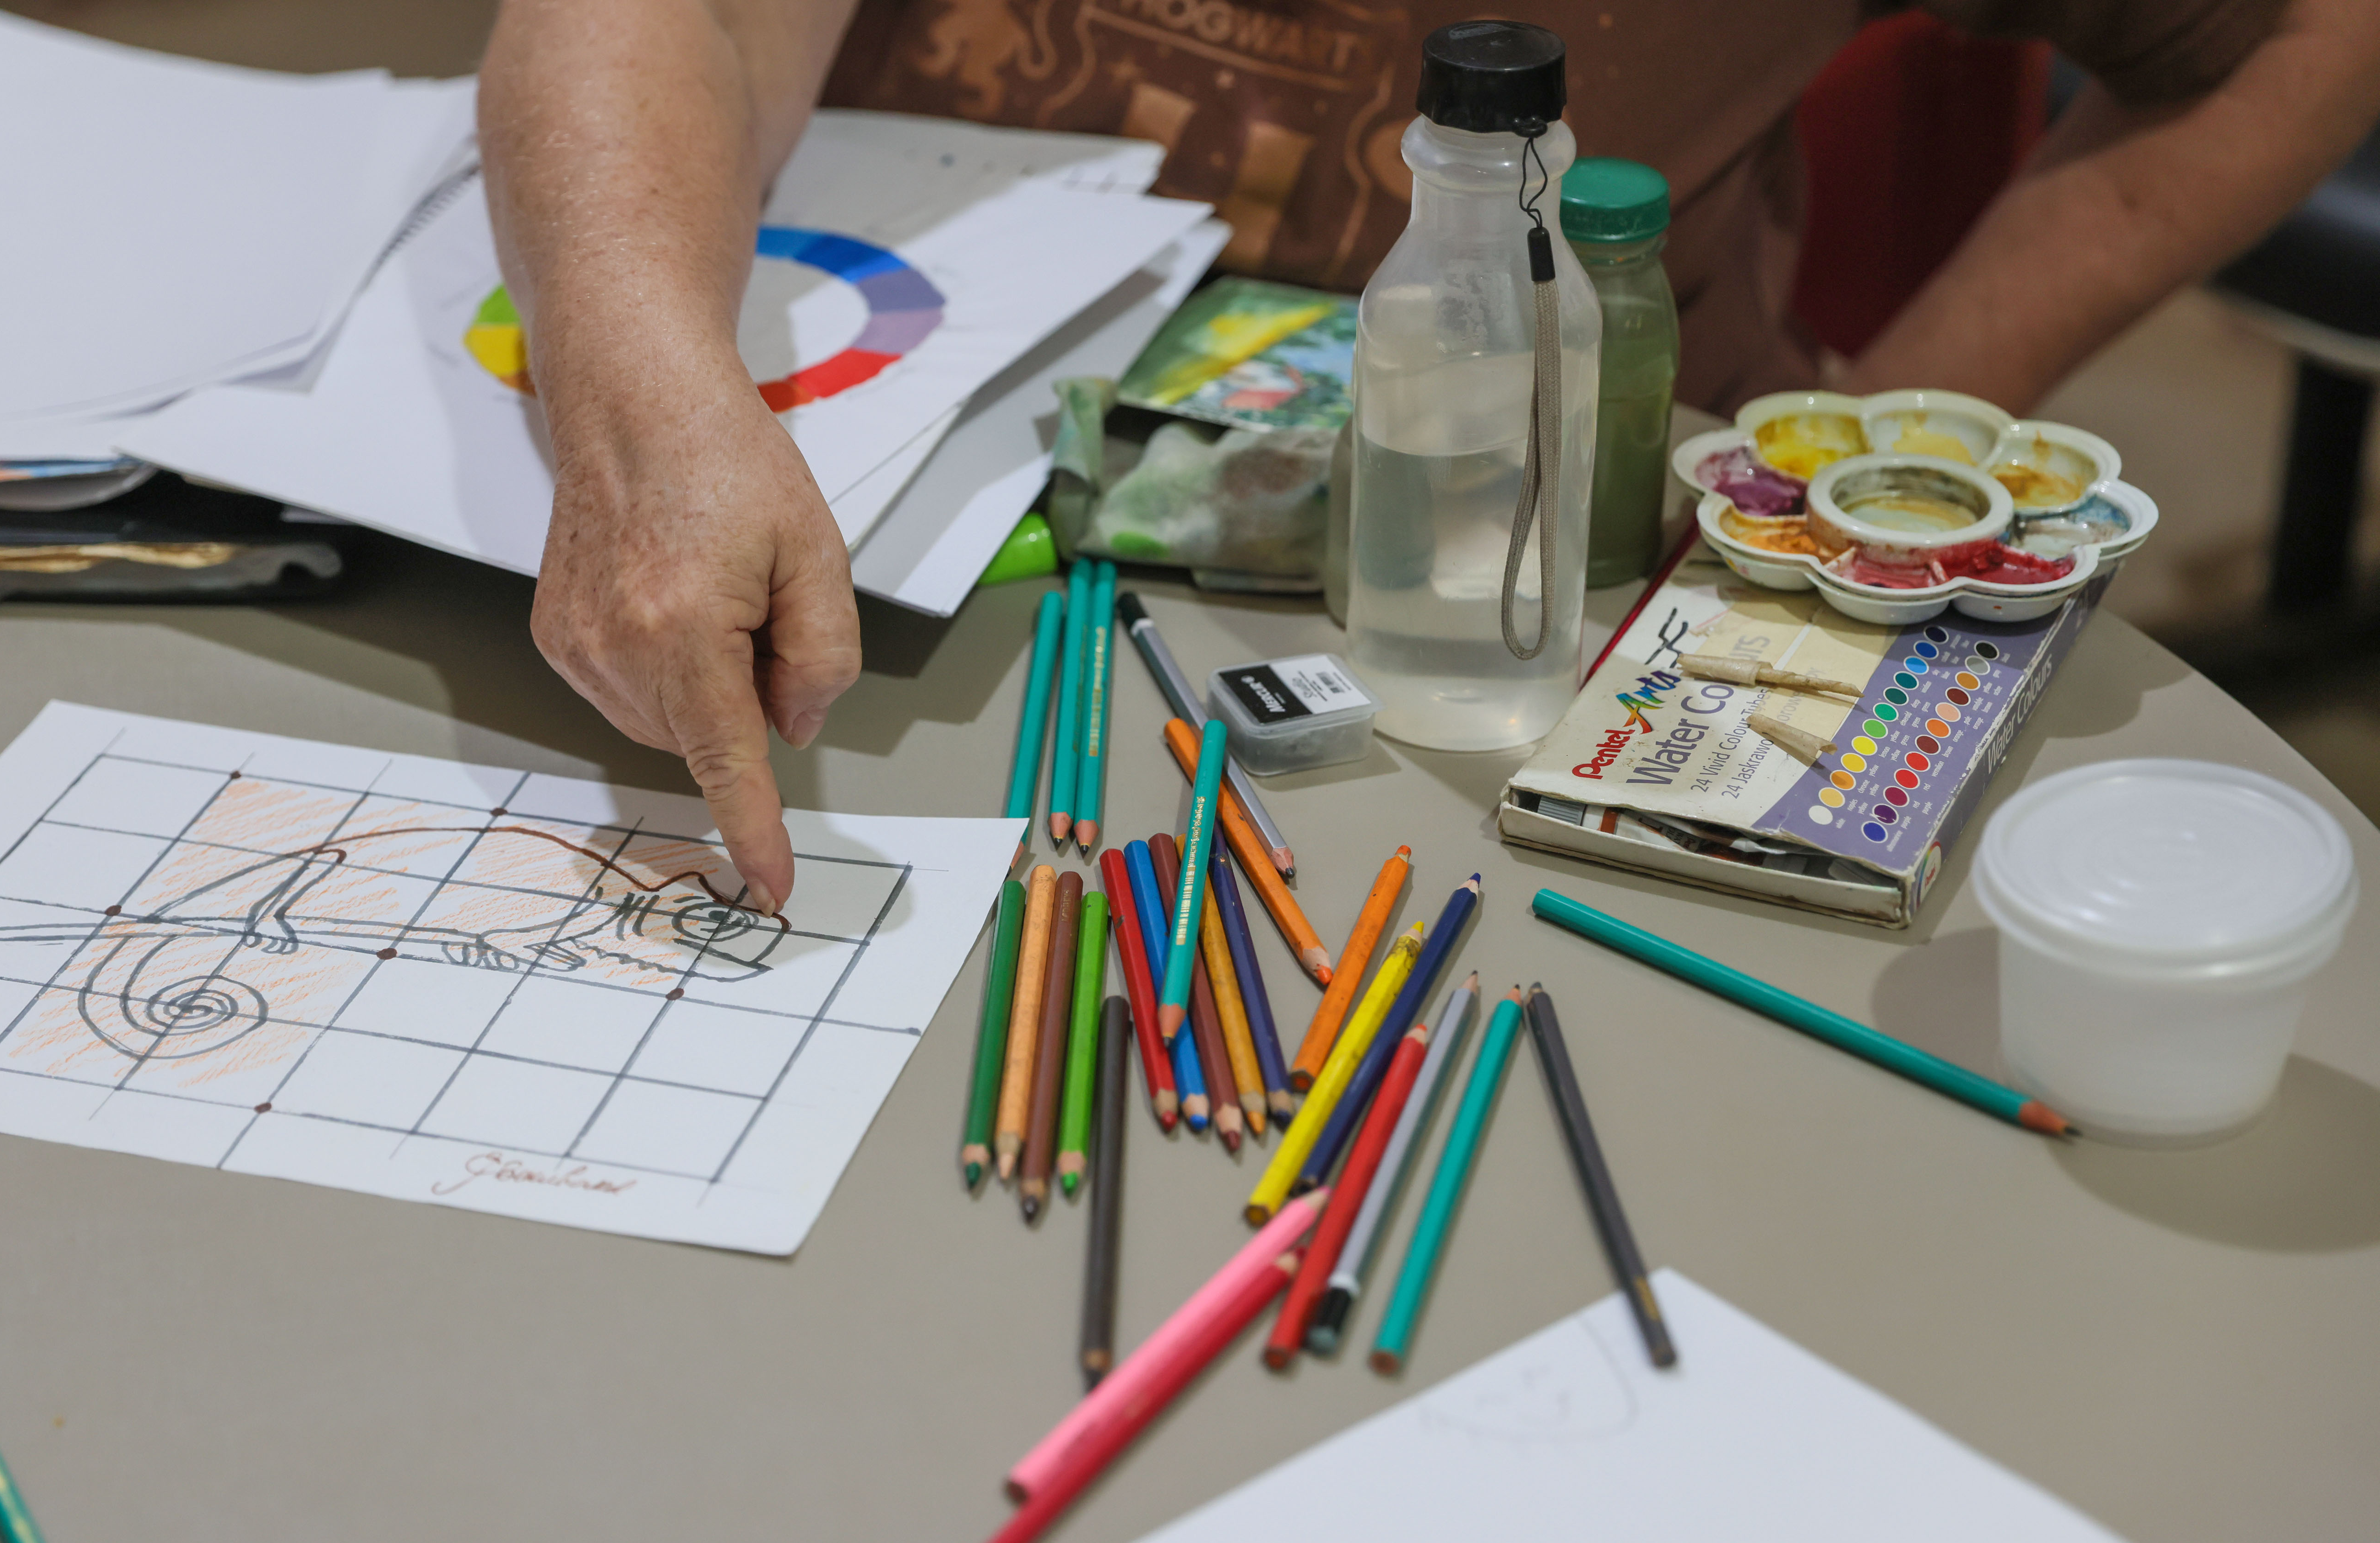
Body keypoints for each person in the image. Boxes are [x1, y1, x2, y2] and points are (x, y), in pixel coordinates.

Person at [477, 0, 2380, 908]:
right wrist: (647, 405)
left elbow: (2287, 37)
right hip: (902, 533)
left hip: (1568, 558)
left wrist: (1869, 432)